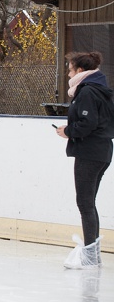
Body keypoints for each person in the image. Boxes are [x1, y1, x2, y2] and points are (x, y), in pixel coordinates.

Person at [55, 51, 114, 269]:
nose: (68, 72)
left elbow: (88, 123)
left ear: (80, 71)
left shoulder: (88, 91)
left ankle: (90, 256)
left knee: (85, 203)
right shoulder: (98, 89)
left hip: (90, 152)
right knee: (88, 203)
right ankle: (93, 255)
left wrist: (68, 131)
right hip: (102, 151)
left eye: (70, 68)